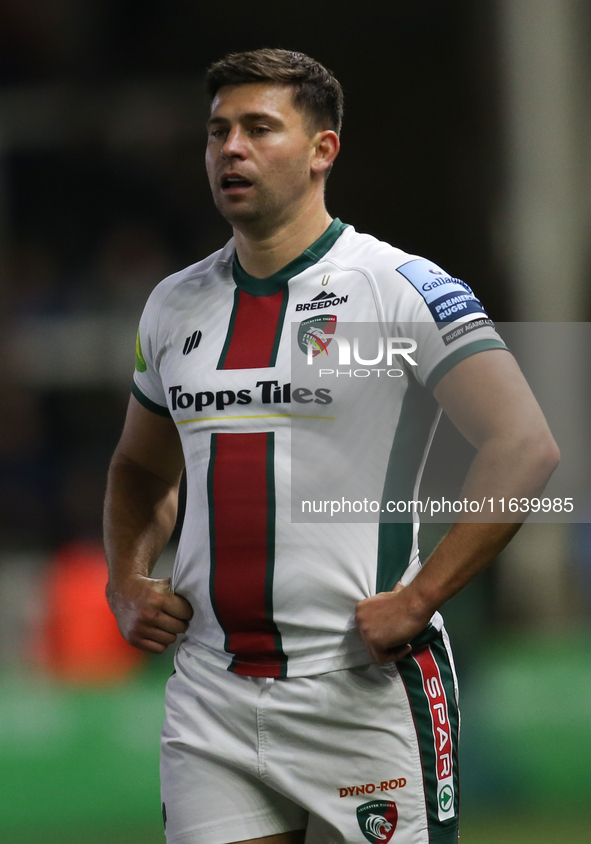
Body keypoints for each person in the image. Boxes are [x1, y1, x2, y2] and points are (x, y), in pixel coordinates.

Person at [104, 48, 559, 844]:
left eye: (257, 129)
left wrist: (419, 598)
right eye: (217, 133)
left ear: (322, 151)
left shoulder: (400, 288)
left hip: (362, 692)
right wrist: (124, 578)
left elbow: (523, 446)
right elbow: (142, 465)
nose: (230, 150)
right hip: (211, 691)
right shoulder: (171, 306)